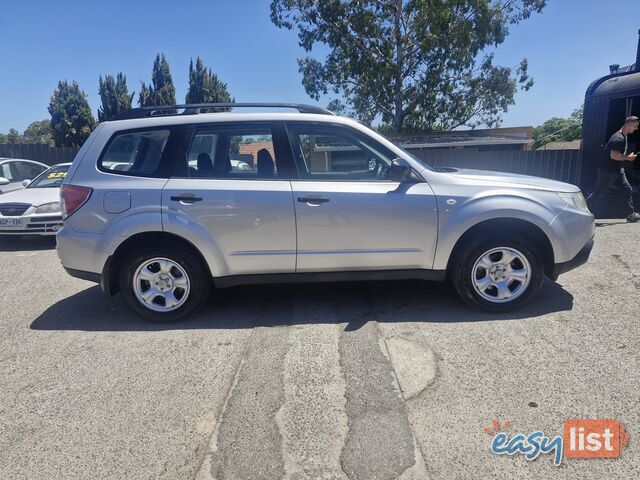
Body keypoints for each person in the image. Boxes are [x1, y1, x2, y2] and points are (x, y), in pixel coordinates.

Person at [591, 116, 639, 222]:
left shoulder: (624, 136)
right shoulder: (618, 138)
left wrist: (626, 157)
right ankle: (585, 213)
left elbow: (617, 155)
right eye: (635, 126)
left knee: (626, 190)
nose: (636, 129)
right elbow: (614, 155)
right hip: (607, 171)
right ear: (629, 124)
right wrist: (628, 158)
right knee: (600, 193)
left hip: (617, 170)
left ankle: (630, 214)